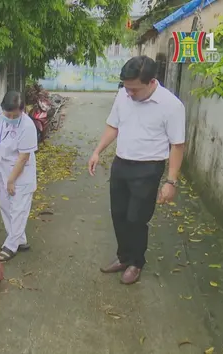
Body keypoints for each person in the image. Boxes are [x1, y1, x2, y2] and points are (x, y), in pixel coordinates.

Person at [88, 56, 186, 285]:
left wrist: (171, 182)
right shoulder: (124, 95)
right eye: (126, 87)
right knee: (118, 214)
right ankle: (123, 257)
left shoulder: (171, 106)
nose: (129, 93)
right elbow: (114, 126)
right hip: (121, 164)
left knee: (136, 218)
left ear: (152, 82)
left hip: (148, 169)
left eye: (134, 89)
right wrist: (97, 151)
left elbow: (177, 145)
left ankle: (136, 262)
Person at [0, 91, 38, 262]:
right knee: (5, 206)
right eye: (7, 114)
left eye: (14, 115)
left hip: (20, 172)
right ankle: (19, 239)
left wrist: (11, 180)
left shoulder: (27, 126)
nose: (9, 117)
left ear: (22, 111)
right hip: (2, 167)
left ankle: (11, 246)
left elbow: (24, 157)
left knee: (18, 210)